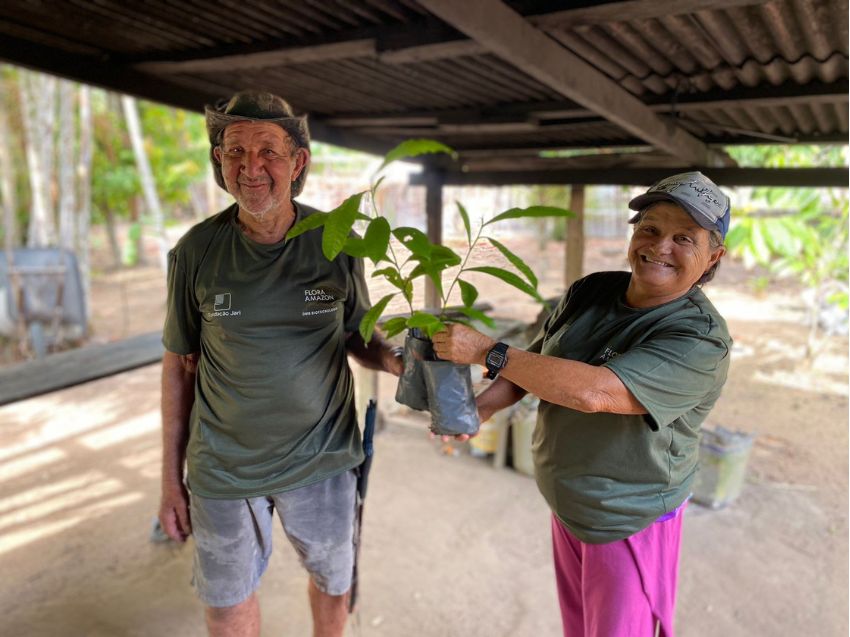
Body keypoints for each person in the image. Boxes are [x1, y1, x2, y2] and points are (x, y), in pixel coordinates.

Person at [433, 171, 733, 637]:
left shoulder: (699, 338)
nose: (660, 246)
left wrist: (486, 351)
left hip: (628, 518)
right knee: (581, 627)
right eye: (650, 228)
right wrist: (481, 408)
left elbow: (597, 392)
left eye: (684, 238)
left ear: (714, 256)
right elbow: (534, 365)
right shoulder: (589, 291)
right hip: (571, 504)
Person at [158, 90, 403, 637]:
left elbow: (360, 334)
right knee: (225, 606)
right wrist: (170, 481)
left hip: (323, 459)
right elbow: (178, 365)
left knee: (334, 582)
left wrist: (400, 361)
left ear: (299, 163)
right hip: (223, 467)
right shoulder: (195, 252)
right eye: (234, 150)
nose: (250, 166)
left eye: (268, 150)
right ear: (218, 162)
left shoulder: (336, 240)